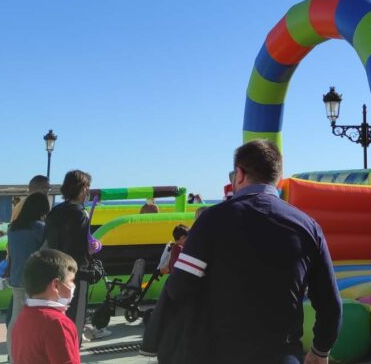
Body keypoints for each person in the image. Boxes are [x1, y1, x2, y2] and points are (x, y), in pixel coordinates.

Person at [157, 139, 341, 363]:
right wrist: (320, 350)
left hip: (218, 353)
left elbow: (179, 288)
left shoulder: (212, 221)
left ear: (240, 174)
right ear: (277, 178)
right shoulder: (308, 227)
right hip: (281, 354)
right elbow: (330, 304)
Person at [44, 169, 104, 343]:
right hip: (75, 273)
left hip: (54, 271)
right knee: (75, 321)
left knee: (58, 316)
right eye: (87, 187)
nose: (88, 191)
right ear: (82, 188)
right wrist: (92, 248)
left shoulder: (55, 211)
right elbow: (79, 246)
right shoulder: (79, 213)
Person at [11, 249, 81, 364]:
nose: (73, 285)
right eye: (71, 281)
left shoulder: (23, 316)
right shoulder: (58, 323)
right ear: (55, 285)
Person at [6, 192, 50, 358]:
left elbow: (10, 254)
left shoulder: (13, 228)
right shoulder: (41, 228)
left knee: (15, 321)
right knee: (35, 322)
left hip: (16, 278)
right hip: (35, 281)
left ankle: (13, 356)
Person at [139, 225, 190, 357]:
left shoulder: (177, 248)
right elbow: (175, 266)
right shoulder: (178, 248)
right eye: (186, 238)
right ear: (180, 239)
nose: (188, 240)